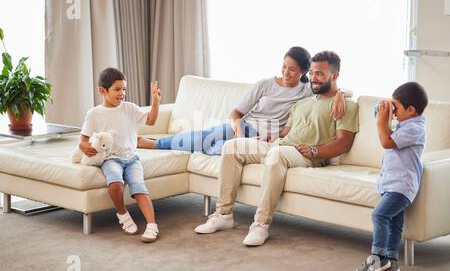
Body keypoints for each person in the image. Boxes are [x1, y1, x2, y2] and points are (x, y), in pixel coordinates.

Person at [194, 51, 359, 246]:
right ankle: (223, 214)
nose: (314, 78)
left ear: (335, 75)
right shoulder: (303, 102)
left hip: (307, 154)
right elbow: (286, 132)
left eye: (320, 74)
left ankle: (260, 224)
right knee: (232, 146)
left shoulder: (345, 106)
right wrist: (270, 137)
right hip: (280, 146)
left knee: (276, 154)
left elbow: (344, 143)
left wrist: (316, 151)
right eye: (313, 73)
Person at [137, 46, 349, 156]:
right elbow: (235, 114)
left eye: (292, 69)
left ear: (304, 71)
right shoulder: (265, 84)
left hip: (264, 137)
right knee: (205, 136)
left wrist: (341, 94)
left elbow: (337, 88)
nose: (286, 72)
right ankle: (155, 144)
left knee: (215, 146)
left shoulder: (306, 91)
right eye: (284, 66)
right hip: (243, 126)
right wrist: (238, 130)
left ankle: (165, 144)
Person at [78, 68, 162, 243]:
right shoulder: (94, 114)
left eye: (124, 89)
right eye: (117, 89)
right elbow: (82, 140)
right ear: (103, 90)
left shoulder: (129, 108)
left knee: (139, 187)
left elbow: (151, 121)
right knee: (115, 182)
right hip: (110, 158)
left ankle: (152, 225)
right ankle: (123, 214)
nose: (122, 93)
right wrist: (85, 147)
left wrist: (155, 101)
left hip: (132, 158)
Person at [355, 82, 428, 271]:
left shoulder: (415, 128)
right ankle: (392, 262)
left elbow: (387, 142)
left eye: (397, 107)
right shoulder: (406, 123)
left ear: (411, 110)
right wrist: (384, 109)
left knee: (379, 216)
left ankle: (378, 257)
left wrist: (382, 121)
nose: (394, 111)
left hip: (402, 185)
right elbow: (381, 121)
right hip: (391, 183)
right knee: (395, 223)